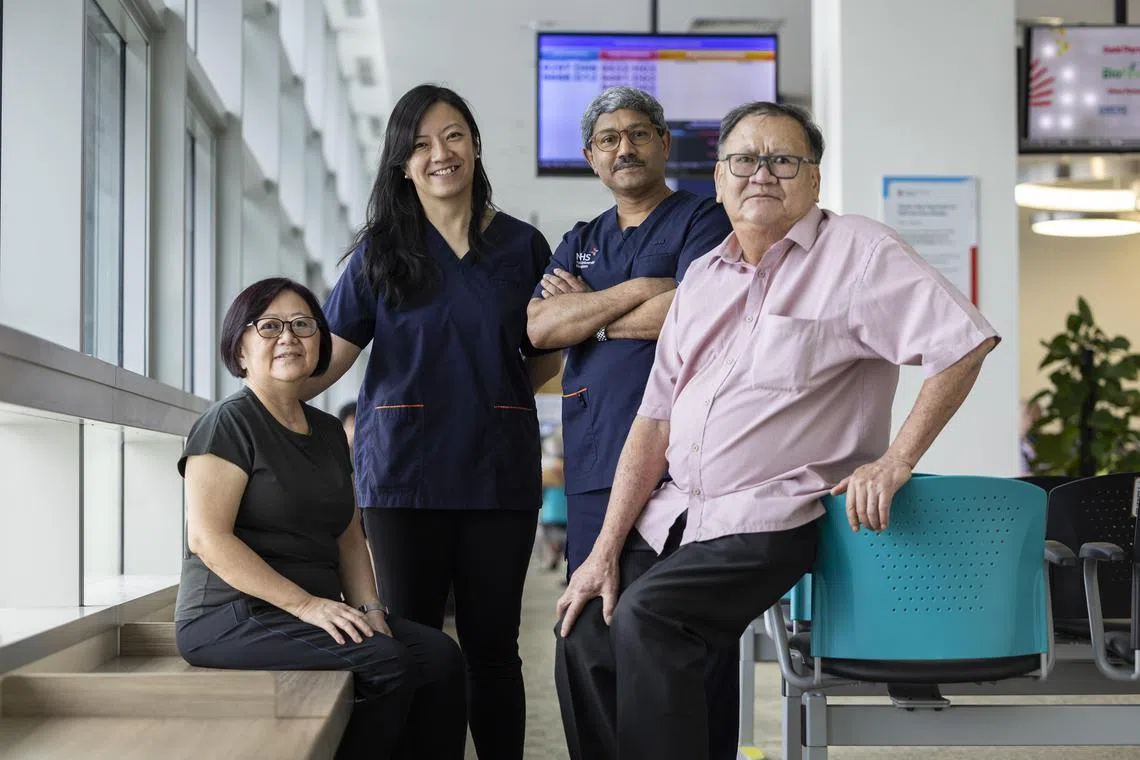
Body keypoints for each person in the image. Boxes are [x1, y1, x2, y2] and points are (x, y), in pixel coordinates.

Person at [553, 101, 1000, 760]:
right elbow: (653, 422)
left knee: (652, 619)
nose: (761, 173)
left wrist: (896, 460)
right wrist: (602, 552)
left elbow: (963, 343)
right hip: (679, 509)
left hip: (773, 516)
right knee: (585, 623)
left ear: (813, 179)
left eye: (783, 159)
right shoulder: (704, 277)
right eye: (743, 160)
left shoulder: (858, 252)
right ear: (719, 178)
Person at [303, 84, 561, 760]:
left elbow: (546, 356)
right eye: (419, 145)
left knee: (493, 647)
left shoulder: (522, 248)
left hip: (497, 474)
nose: (439, 154)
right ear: (401, 164)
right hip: (403, 479)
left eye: (452, 137)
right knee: (415, 641)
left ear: (475, 145)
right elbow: (328, 361)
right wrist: (265, 376)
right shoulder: (380, 255)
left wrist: (495, 391)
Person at [525, 86, 737, 758]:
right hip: (595, 467)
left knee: (681, 632)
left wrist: (589, 316)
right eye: (609, 138)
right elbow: (538, 326)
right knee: (586, 624)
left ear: (664, 144)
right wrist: (640, 295)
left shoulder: (704, 222)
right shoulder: (579, 241)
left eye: (639, 133)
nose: (625, 147)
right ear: (591, 157)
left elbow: (703, 311)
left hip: (687, 469)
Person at [174, 277, 466, 760]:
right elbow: (209, 540)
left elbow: (350, 537)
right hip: (230, 615)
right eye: (269, 326)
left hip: (309, 610)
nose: (288, 336)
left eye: (302, 325)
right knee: (388, 664)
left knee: (439, 657)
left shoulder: (329, 430)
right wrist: (308, 606)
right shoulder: (227, 422)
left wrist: (372, 610)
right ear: (240, 349)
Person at [540, 429, 568, 572]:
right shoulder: (568, 468)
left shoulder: (548, 470)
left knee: (550, 538)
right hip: (565, 511)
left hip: (551, 511)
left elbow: (541, 488)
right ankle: (557, 561)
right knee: (562, 538)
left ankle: (551, 561)